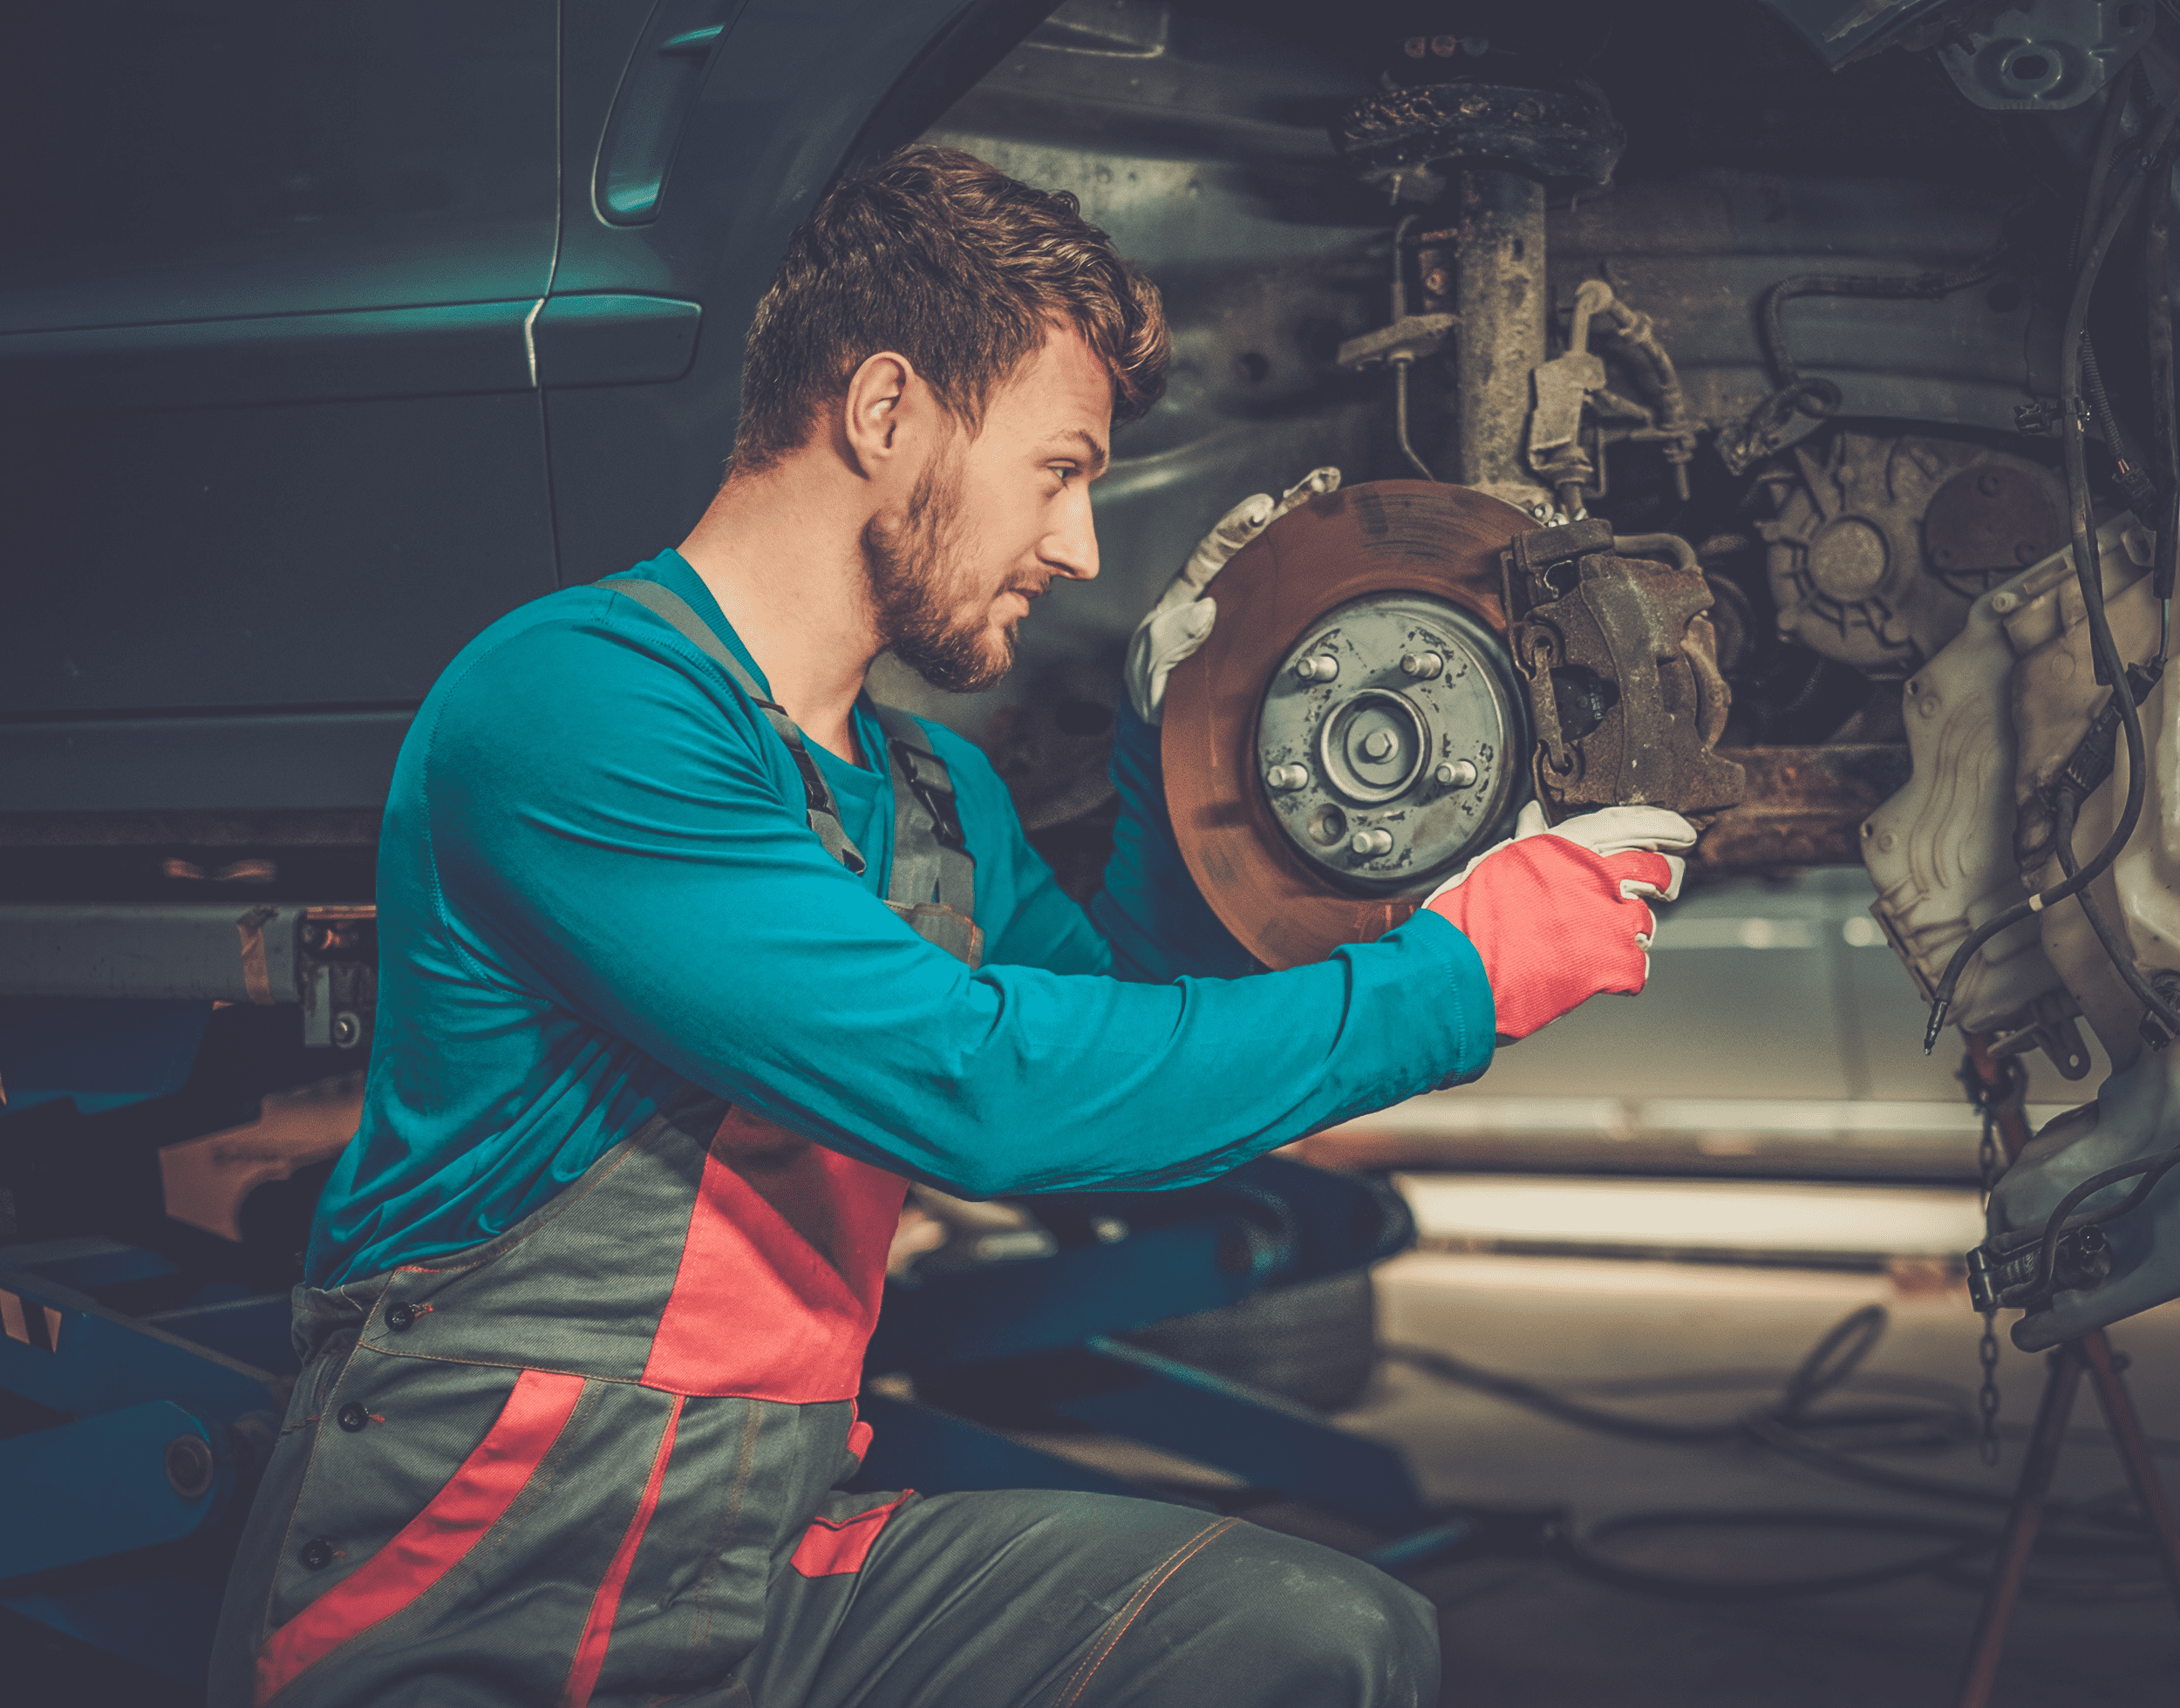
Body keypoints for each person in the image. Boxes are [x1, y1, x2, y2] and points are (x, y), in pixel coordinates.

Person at [209, 146, 1692, 1708]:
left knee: (1321, 1640)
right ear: (884, 411)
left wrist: (1167, 738)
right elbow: (978, 1087)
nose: (1082, 548)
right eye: (1061, 470)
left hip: (754, 1565)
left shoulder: (937, 795)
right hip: (476, 1584)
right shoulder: (577, 706)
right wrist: (1455, 981)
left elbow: (1125, 1046)